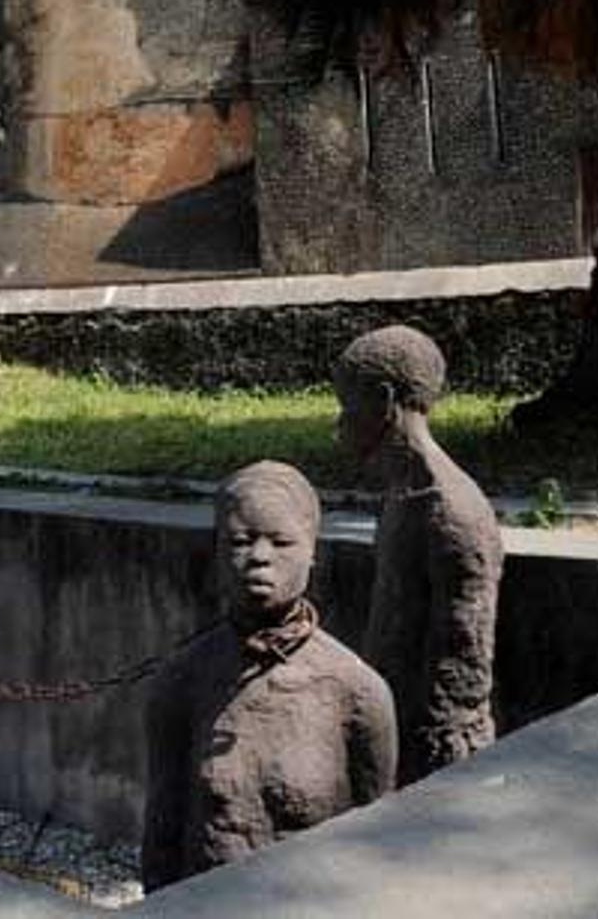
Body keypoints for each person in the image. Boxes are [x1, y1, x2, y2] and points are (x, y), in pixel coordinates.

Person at [142, 459, 396, 892]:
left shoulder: (357, 692)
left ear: (312, 553)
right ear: (217, 552)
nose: (260, 557)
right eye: (241, 541)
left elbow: (379, 844)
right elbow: (162, 838)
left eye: (281, 542)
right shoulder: (180, 682)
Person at [335, 324, 503, 784]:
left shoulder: (452, 512)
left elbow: (464, 665)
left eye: (347, 406)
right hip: (391, 724)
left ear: (385, 400)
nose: (340, 423)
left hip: (431, 748)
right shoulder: (403, 494)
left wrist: (427, 760)